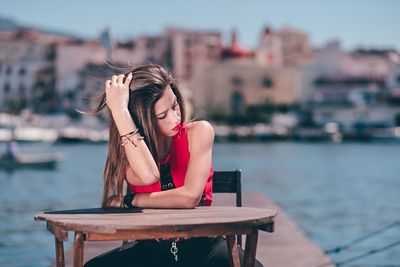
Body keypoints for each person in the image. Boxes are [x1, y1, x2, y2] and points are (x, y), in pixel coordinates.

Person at [84, 64, 263, 267]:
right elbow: (149, 175)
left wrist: (130, 200)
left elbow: (188, 198)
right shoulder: (129, 154)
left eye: (175, 105)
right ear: (140, 120)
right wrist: (120, 112)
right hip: (150, 250)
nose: (175, 117)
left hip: (205, 246)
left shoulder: (200, 133)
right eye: (162, 115)